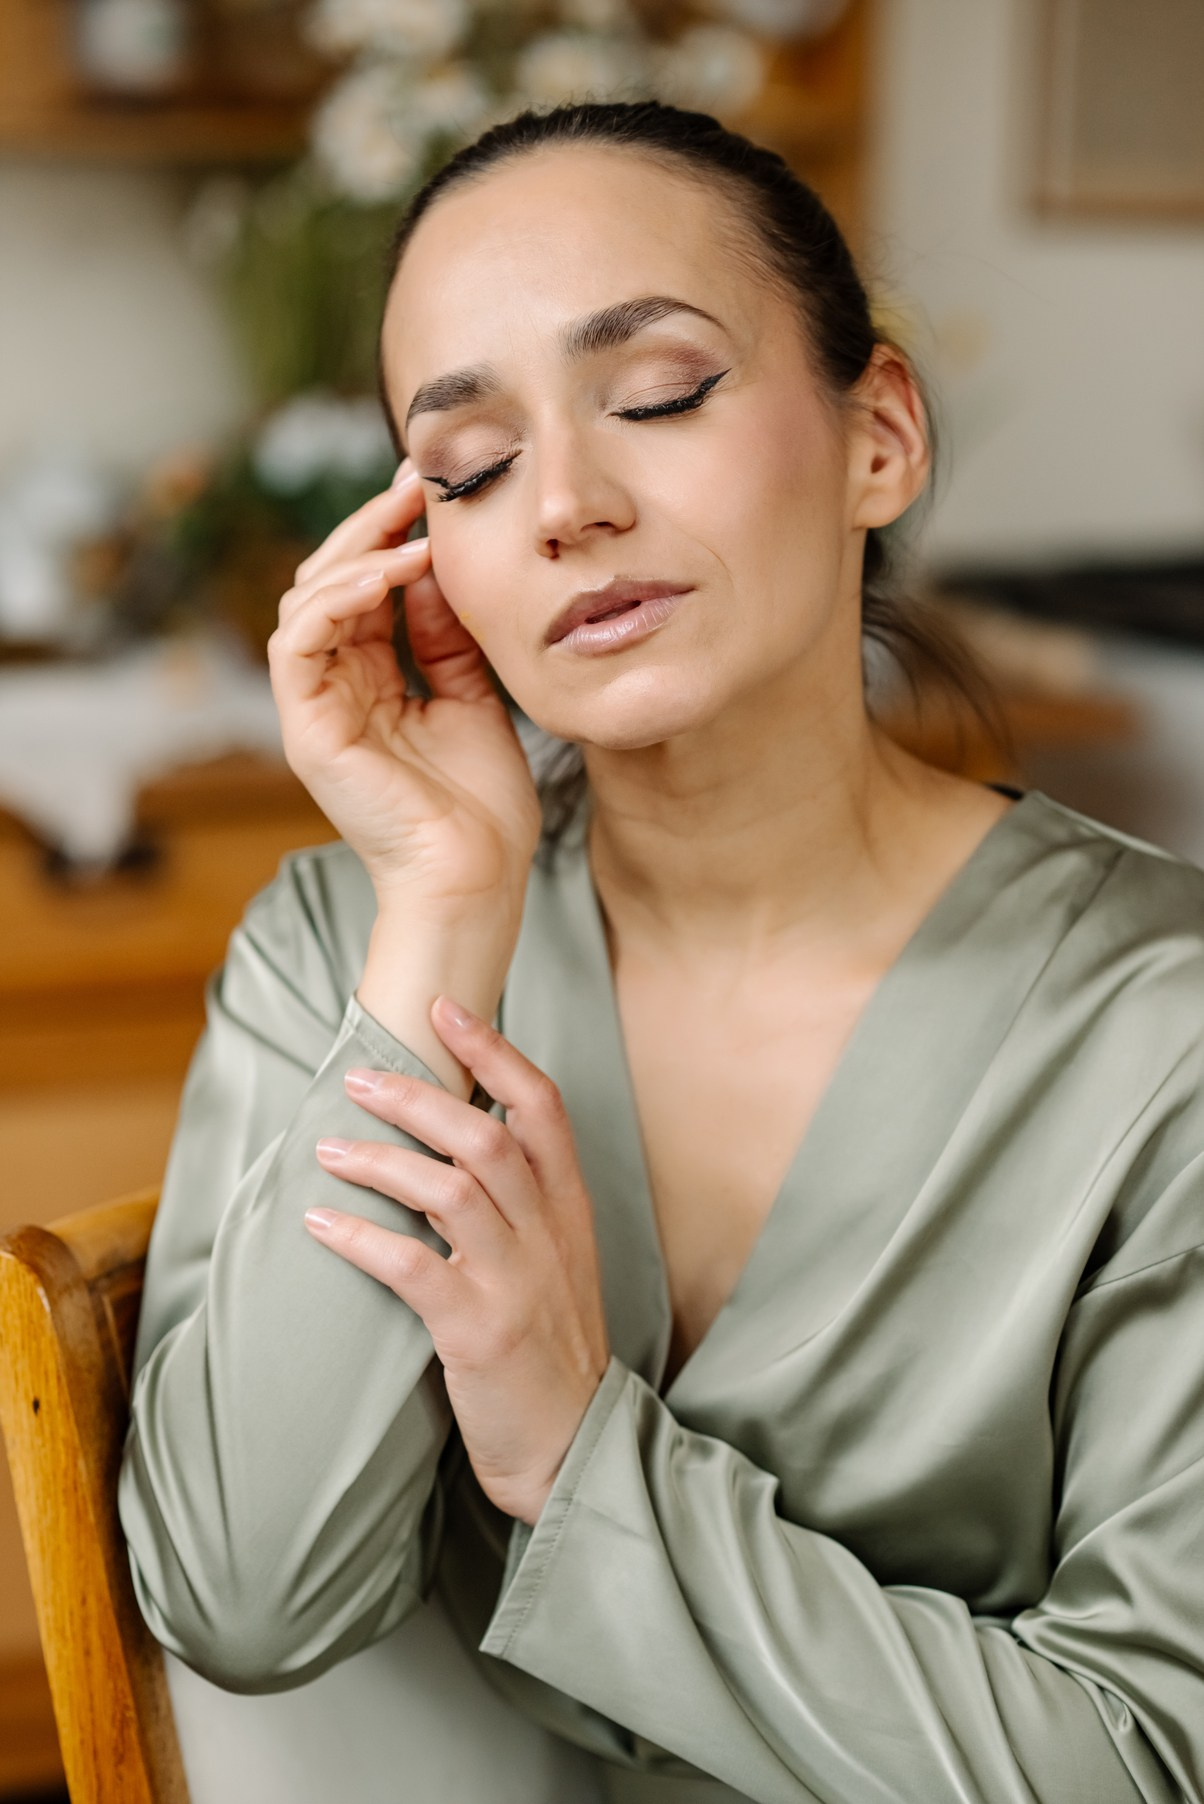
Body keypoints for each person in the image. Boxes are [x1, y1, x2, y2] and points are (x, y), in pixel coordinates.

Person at [118, 100, 1204, 1804]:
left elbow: (1143, 1766)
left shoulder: (1164, 1033)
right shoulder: (347, 944)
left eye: (659, 394)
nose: (562, 504)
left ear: (880, 439)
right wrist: (445, 904)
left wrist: (571, 1453)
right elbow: (240, 1606)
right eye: (466, 467)